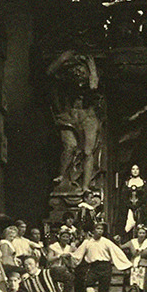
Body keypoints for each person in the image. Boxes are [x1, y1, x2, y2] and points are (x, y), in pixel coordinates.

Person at [47, 51, 102, 192]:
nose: (78, 74)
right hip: (70, 117)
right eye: (75, 72)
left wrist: (92, 67)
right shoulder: (66, 82)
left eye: (81, 72)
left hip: (88, 118)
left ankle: (85, 186)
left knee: (88, 151)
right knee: (70, 146)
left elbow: (93, 86)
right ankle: (62, 176)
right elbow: (50, 73)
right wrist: (64, 57)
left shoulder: (91, 82)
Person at [72, 221, 132, 292]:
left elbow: (117, 252)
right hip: (94, 266)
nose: (100, 231)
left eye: (101, 229)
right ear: (93, 231)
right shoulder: (87, 242)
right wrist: (70, 256)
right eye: (98, 229)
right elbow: (78, 254)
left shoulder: (106, 242)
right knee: (88, 283)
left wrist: (126, 264)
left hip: (105, 267)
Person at [121, 164, 147, 236]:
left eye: (137, 169)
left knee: (140, 223)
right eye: (133, 169)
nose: (135, 171)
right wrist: (129, 205)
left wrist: (138, 204)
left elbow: (145, 196)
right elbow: (123, 196)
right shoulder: (127, 182)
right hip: (129, 207)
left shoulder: (143, 182)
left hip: (141, 208)